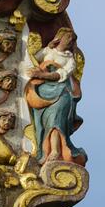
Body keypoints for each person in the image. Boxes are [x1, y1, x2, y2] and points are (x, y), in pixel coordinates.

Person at [26, 27, 87, 165]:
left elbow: (61, 75)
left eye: (73, 40)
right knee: (43, 123)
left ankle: (55, 150)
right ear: (60, 38)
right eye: (68, 37)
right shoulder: (49, 51)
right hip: (42, 91)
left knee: (56, 120)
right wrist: (48, 47)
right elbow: (34, 58)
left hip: (62, 93)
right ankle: (44, 150)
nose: (70, 41)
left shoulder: (70, 60)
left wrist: (42, 75)